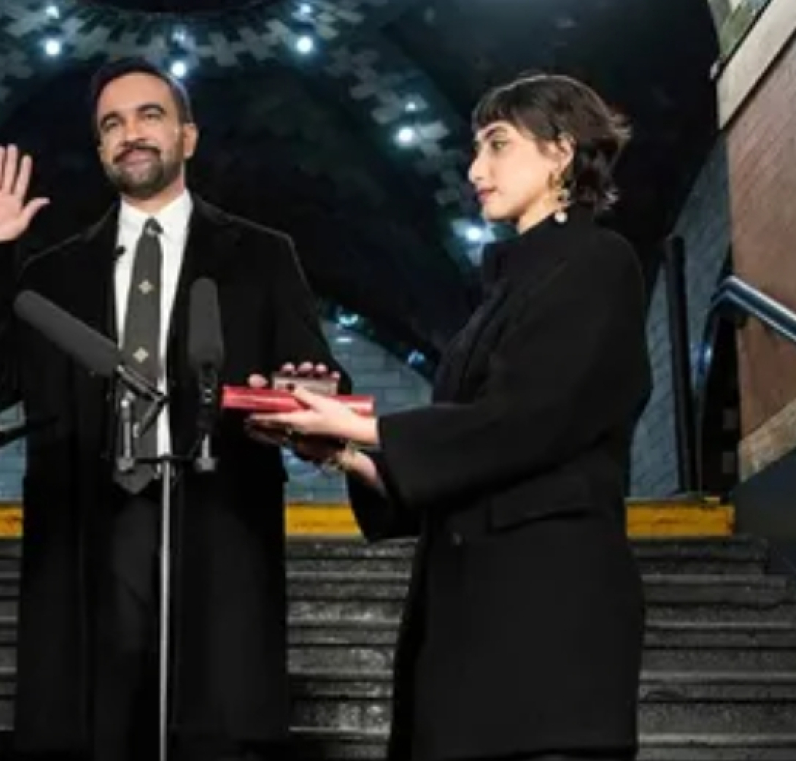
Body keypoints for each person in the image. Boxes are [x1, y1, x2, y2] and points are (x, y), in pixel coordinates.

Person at [0, 58, 373, 761]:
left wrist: (311, 392)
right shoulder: (53, 275)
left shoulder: (261, 256)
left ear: (188, 136)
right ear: (100, 150)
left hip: (218, 526)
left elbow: (316, 378)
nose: (131, 133)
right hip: (87, 537)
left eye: (150, 115)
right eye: (112, 124)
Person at [250, 73, 650, 761]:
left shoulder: (599, 262)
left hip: (548, 629)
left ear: (560, 151)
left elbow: (529, 419)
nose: (474, 170)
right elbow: (467, 459)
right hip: (469, 627)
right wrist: (343, 453)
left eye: (498, 144)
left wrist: (363, 426)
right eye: (476, 149)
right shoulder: (500, 293)